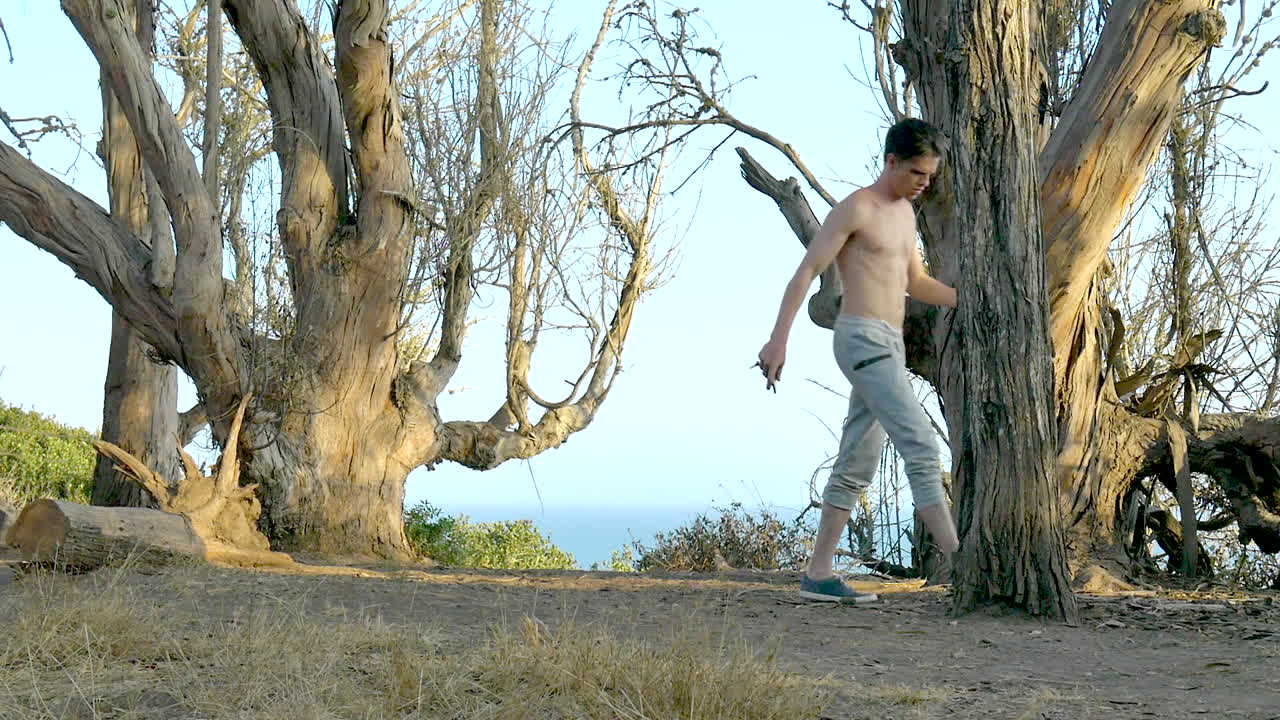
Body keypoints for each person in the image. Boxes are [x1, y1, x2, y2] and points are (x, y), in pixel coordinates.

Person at [756, 117, 960, 604]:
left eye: (929, 176)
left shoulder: (906, 216)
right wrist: (778, 341)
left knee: (857, 461)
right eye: (916, 173)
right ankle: (963, 560)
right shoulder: (856, 209)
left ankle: (818, 574)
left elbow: (917, 284)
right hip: (860, 338)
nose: (924, 183)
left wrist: (970, 297)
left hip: (890, 343)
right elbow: (807, 271)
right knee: (921, 443)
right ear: (892, 161)